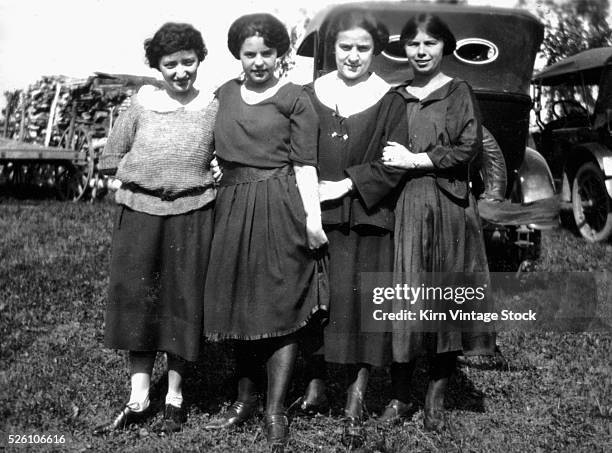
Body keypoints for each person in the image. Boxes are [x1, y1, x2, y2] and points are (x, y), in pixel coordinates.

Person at [202, 13, 327, 453]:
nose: (258, 62)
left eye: (267, 53)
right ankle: (245, 400)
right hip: (232, 206)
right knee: (239, 302)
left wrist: (312, 220)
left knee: (279, 302)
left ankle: (275, 409)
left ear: (280, 54)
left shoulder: (295, 99)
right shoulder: (223, 95)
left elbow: (305, 164)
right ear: (238, 54)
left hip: (279, 204)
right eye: (249, 54)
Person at [93, 23, 217, 435]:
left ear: (199, 60)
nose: (181, 72)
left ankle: (175, 398)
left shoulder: (213, 107)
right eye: (170, 65)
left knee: (184, 300)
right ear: (157, 67)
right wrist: (127, 176)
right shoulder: (142, 104)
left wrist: (216, 169)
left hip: (193, 214)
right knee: (137, 301)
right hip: (140, 215)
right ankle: (139, 397)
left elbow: (228, 156)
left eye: (188, 62)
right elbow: (110, 155)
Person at [291, 9, 407, 449]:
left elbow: (393, 164)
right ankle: (317, 385)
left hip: (366, 217)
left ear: (375, 51)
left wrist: (343, 184)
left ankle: (356, 399)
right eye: (345, 47)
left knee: (361, 309)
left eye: (363, 48)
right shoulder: (309, 94)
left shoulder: (390, 101)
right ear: (331, 49)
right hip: (315, 217)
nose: (353, 57)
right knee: (319, 301)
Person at [380, 13, 496, 431]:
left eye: (430, 43)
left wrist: (419, 159)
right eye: (413, 44)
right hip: (406, 204)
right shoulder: (395, 96)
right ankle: (399, 395)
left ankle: (436, 394)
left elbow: (469, 147)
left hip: (449, 204)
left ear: (444, 47)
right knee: (405, 298)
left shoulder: (457, 92)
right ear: (404, 49)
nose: (421, 51)